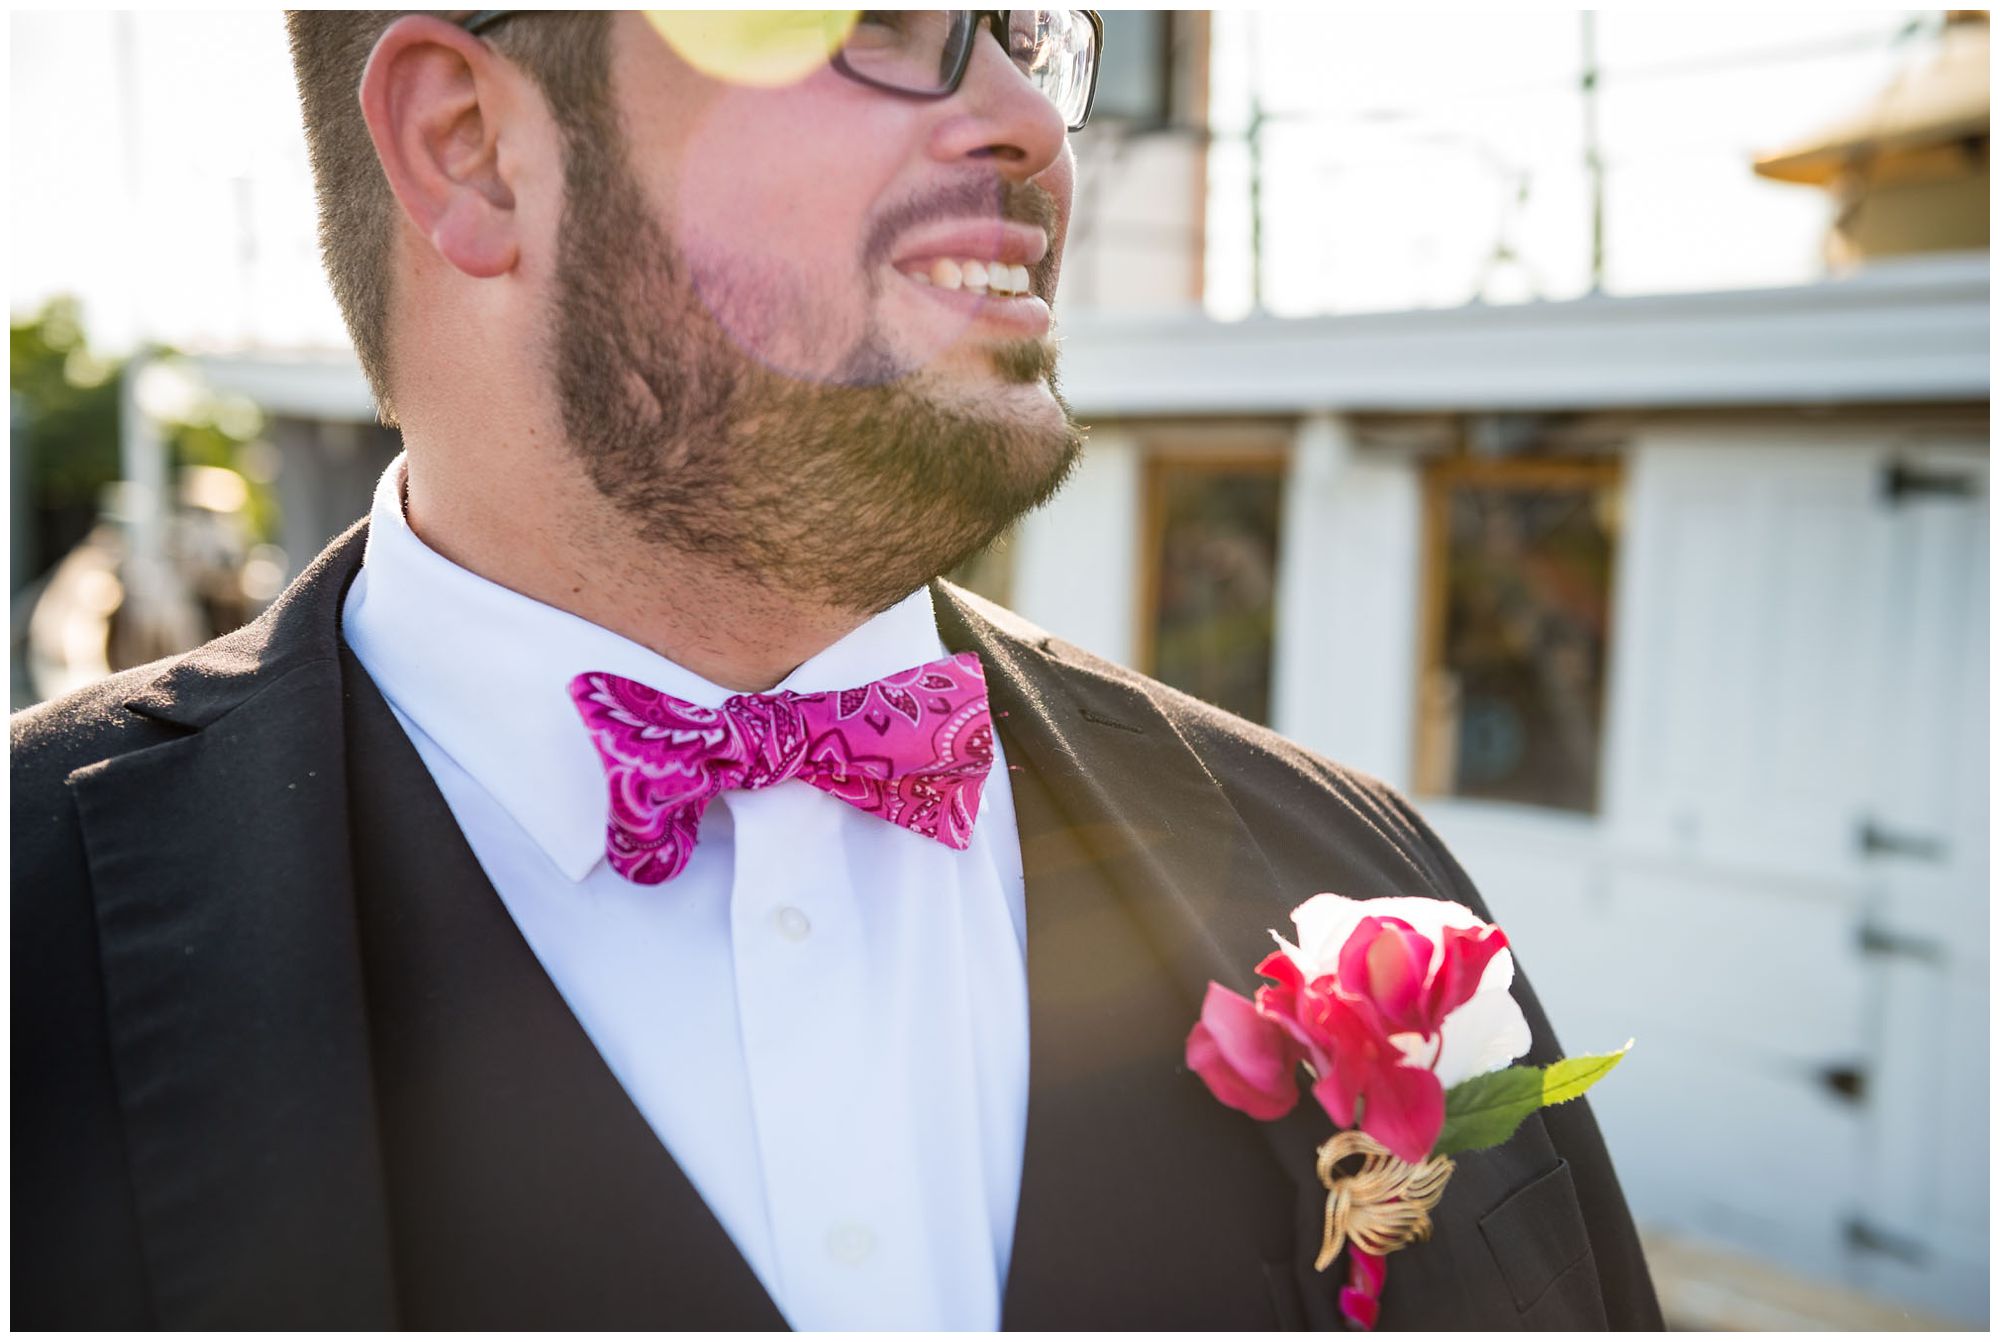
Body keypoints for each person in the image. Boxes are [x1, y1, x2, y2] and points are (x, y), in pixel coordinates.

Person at [11, 10, 1663, 1330]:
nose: (1024, 116)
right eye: (884, 19)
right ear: (474, 147)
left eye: (1027, 27)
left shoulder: (1363, 871)